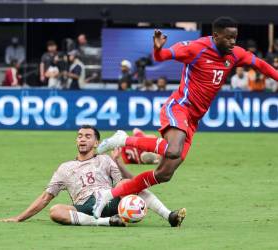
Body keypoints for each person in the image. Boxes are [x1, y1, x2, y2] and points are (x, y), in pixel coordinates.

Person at [92, 16, 278, 219]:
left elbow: (261, 65)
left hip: (193, 120)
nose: (233, 42)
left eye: (235, 38)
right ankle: (123, 139)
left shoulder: (235, 54)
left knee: (164, 174)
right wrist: (157, 49)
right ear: (215, 36)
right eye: (228, 38)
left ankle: (107, 195)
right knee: (173, 150)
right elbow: (163, 56)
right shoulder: (195, 49)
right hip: (179, 107)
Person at [0, 125, 185, 227]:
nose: (82, 139)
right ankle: (105, 222)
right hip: (85, 206)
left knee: (129, 182)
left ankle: (169, 216)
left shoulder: (105, 160)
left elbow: (130, 184)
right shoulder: (65, 168)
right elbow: (45, 197)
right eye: (79, 136)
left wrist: (119, 163)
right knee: (56, 210)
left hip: (109, 201)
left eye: (88, 136)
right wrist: (19, 217)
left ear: (97, 142)